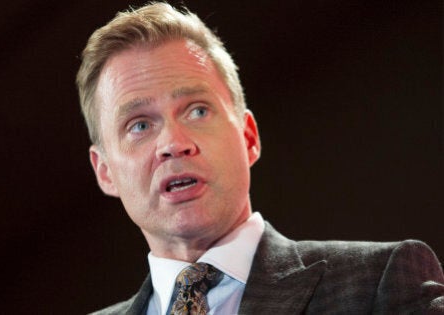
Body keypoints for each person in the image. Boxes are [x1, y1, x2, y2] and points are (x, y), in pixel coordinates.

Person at [76, 3, 444, 314]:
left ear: (248, 137)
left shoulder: (379, 284)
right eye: (139, 125)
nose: (173, 143)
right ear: (105, 171)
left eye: (197, 111)